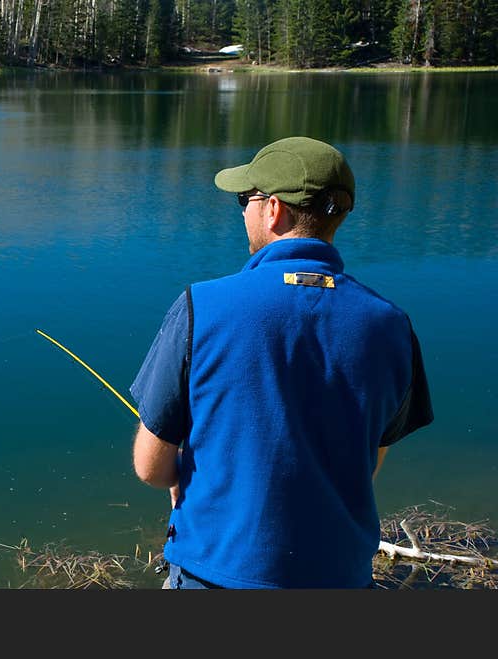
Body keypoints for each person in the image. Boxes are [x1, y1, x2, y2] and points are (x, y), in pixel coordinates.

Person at [129, 136, 433, 589]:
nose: (243, 211)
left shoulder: (201, 307)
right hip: (341, 577)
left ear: (273, 209)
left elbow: (151, 468)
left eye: (243, 200)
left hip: (214, 575)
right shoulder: (392, 325)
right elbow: (368, 460)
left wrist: (184, 481)